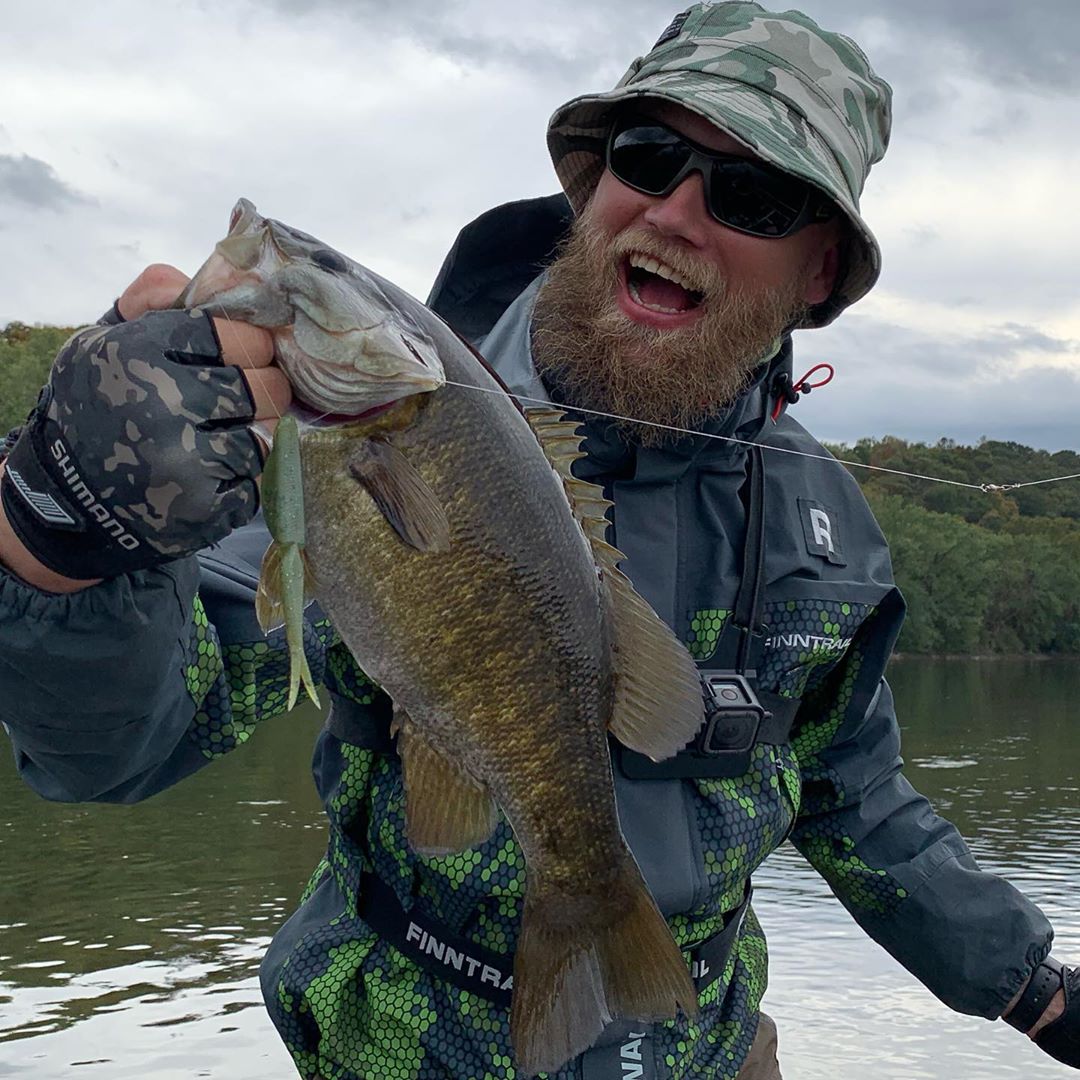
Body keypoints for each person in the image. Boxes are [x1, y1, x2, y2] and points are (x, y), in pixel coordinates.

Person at [1, 3, 1078, 1077]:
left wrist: (1036, 991)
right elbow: (115, 750)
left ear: (818, 273)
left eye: (753, 194)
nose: (677, 213)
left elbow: (857, 800)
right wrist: (59, 536)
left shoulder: (824, 527)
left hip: (709, 1044)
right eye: (649, 156)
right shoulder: (322, 440)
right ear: (590, 188)